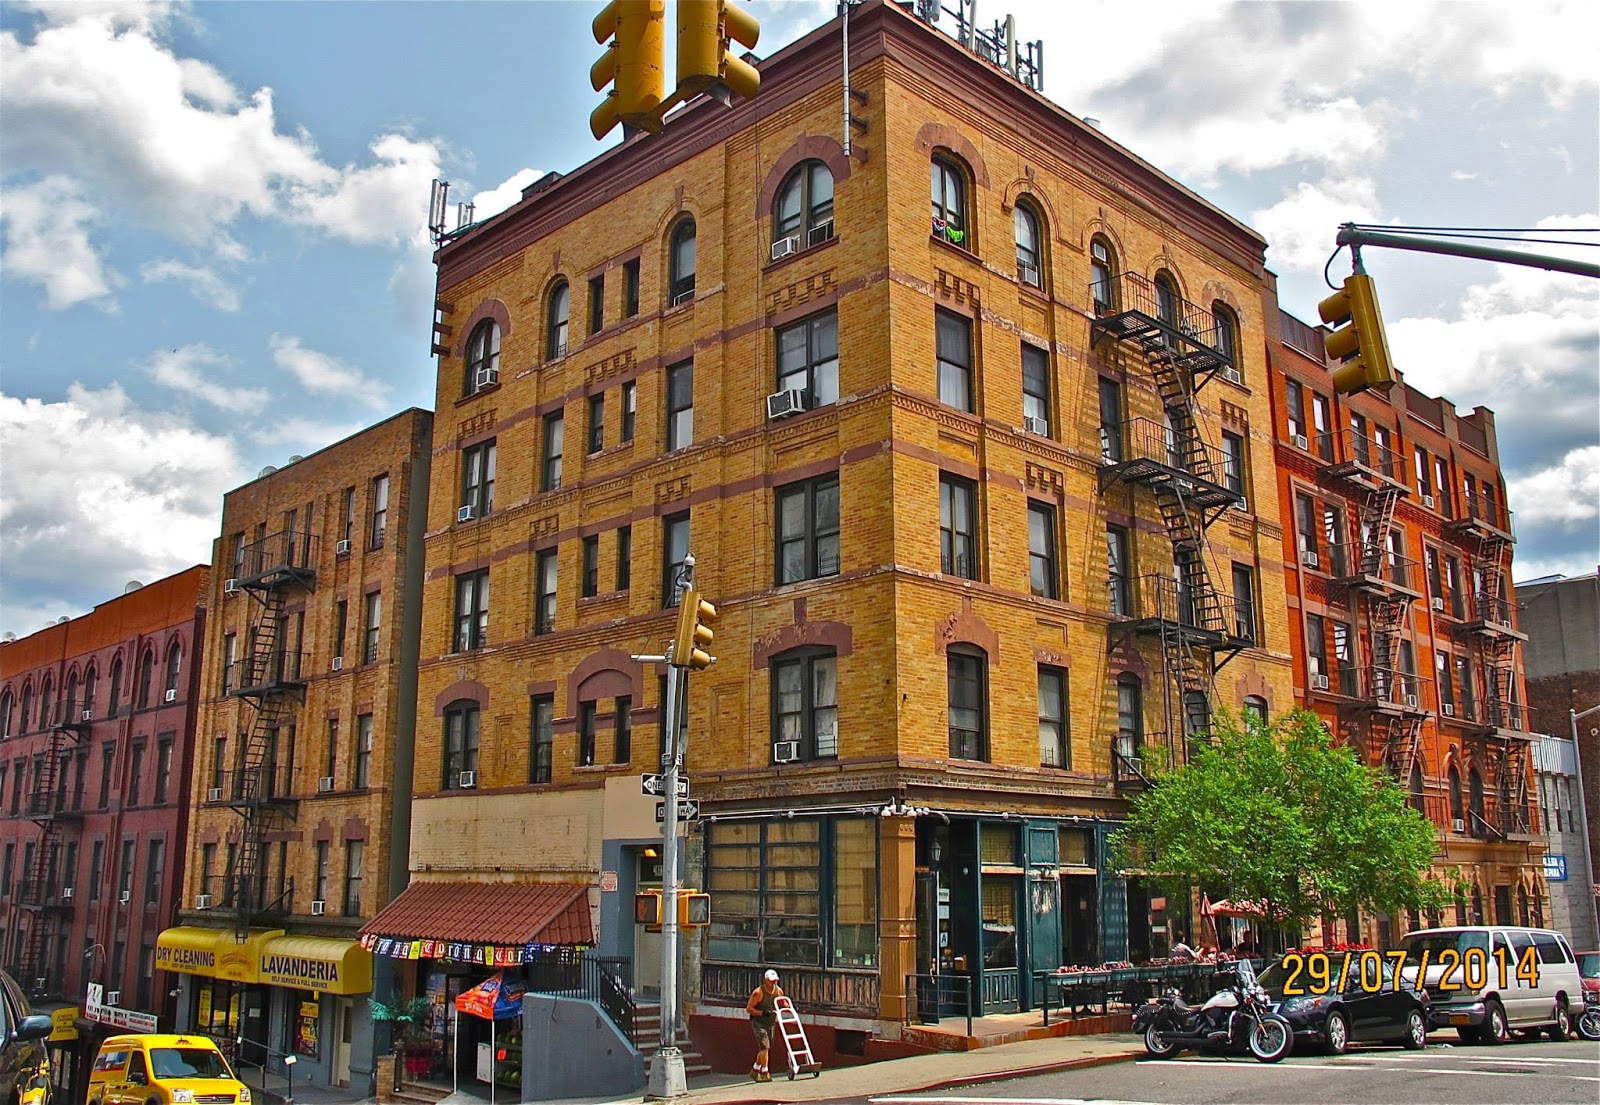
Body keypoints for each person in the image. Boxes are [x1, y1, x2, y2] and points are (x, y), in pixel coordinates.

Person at [745, 968, 783, 1082]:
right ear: (766, 980)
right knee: (764, 1047)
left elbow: (781, 1002)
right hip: (759, 1022)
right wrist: (762, 1013)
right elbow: (749, 1008)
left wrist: (789, 1006)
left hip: (770, 1022)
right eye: (771, 981)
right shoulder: (758, 993)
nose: (774, 983)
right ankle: (764, 1072)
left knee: (767, 1047)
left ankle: (755, 1069)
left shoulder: (778, 991)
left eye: (775, 980)